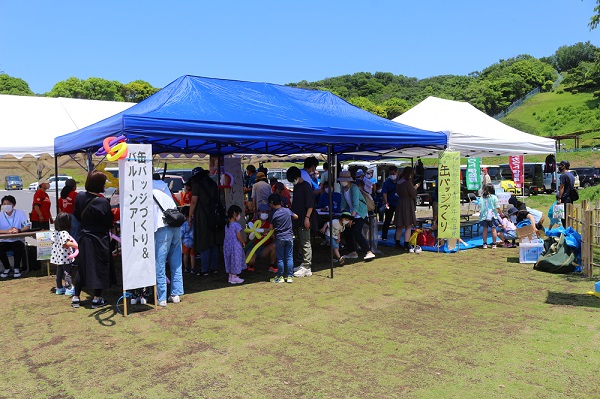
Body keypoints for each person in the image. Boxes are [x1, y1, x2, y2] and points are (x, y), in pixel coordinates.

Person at [71, 170, 115, 309]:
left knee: (82, 267)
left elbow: (77, 215)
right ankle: (96, 298)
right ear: (100, 184)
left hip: (84, 236)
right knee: (100, 267)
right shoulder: (103, 202)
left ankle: (76, 297)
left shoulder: (80, 197)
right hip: (100, 238)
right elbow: (109, 222)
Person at [152, 183, 184, 306]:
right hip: (176, 227)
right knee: (176, 261)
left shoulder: (148, 195)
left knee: (159, 262)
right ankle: (176, 294)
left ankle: (162, 297)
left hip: (162, 228)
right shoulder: (165, 193)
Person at [188, 166, 223, 276]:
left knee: (204, 243)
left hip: (202, 217)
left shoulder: (196, 184)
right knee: (213, 243)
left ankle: (205, 269)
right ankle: (215, 268)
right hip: (214, 216)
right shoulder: (212, 183)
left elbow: (194, 201)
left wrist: (189, 215)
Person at [287, 166, 318, 277]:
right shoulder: (297, 187)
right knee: (300, 242)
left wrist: (307, 218)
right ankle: (303, 264)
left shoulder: (306, 186)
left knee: (305, 242)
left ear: (297, 176)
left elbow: (311, 205)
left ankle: (307, 266)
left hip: (304, 218)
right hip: (297, 219)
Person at [338, 170, 375, 261]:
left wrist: (351, 218)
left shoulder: (354, 188)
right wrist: (342, 214)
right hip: (352, 213)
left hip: (360, 213)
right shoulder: (343, 189)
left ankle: (368, 251)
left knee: (357, 232)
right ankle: (352, 252)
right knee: (347, 232)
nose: (342, 182)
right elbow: (343, 204)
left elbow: (356, 205)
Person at [269, 193, 298, 283]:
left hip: (280, 238)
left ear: (271, 203)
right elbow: (296, 216)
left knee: (280, 258)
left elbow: (271, 228)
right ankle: (289, 276)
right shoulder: (287, 210)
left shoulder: (272, 214)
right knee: (289, 257)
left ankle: (280, 276)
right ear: (281, 202)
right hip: (289, 237)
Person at [0, 195, 30, 278]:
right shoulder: (0, 214)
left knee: (18, 246)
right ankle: (7, 268)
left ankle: (17, 268)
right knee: (0, 248)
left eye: (8, 203)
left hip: (17, 239)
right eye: (4, 204)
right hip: (4, 240)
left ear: (14, 204)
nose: (6, 206)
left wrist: (19, 230)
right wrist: (7, 231)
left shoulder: (20, 213)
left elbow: (27, 226)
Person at [51, 213, 78, 296]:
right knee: (67, 273)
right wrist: (77, 246)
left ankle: (59, 288)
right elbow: (66, 243)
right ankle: (69, 288)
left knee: (59, 273)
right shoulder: (64, 233)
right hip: (65, 257)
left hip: (58, 257)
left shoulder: (55, 233)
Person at [245, 203, 277, 273]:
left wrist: (270, 233)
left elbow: (274, 238)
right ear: (258, 212)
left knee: (274, 246)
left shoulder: (270, 224)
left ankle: (272, 265)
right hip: (252, 247)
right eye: (263, 212)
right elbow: (249, 236)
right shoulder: (253, 223)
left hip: (263, 248)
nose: (265, 214)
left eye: (266, 212)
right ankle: (251, 265)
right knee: (250, 260)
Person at [394, 167, 419, 251]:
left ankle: (397, 243)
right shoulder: (408, 182)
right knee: (408, 225)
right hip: (407, 203)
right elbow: (412, 194)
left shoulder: (398, 181)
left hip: (400, 202)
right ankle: (406, 244)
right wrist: (415, 187)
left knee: (400, 225)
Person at [223, 205, 246, 284]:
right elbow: (238, 236)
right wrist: (243, 242)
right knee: (235, 260)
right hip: (235, 246)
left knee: (229, 260)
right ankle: (234, 276)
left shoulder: (227, 225)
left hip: (227, 246)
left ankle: (231, 276)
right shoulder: (236, 225)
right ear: (234, 214)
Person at [478, 183, 501, 249]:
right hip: (492, 216)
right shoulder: (494, 197)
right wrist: (501, 213)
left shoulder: (482, 198)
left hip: (484, 216)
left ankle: (484, 244)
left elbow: (479, 207)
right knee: (493, 230)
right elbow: (497, 207)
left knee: (485, 229)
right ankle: (494, 244)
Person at [381, 166, 399, 241]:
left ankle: (397, 236)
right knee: (387, 220)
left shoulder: (400, 181)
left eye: (393, 173)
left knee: (398, 221)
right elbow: (384, 193)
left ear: (396, 172)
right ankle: (384, 236)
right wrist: (386, 202)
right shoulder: (387, 182)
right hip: (390, 203)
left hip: (399, 203)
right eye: (391, 173)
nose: (392, 175)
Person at [557, 160, 575, 227]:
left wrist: (559, 198)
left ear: (564, 166)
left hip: (565, 198)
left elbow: (562, 187)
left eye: (561, 165)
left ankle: (566, 233)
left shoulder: (563, 175)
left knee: (563, 218)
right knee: (569, 216)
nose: (559, 167)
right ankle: (570, 231)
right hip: (571, 198)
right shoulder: (571, 175)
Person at [180, 206, 197, 274]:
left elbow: (181, 233)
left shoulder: (184, 224)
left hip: (185, 242)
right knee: (192, 256)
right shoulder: (193, 223)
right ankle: (193, 268)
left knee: (185, 255)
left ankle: (186, 268)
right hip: (193, 241)